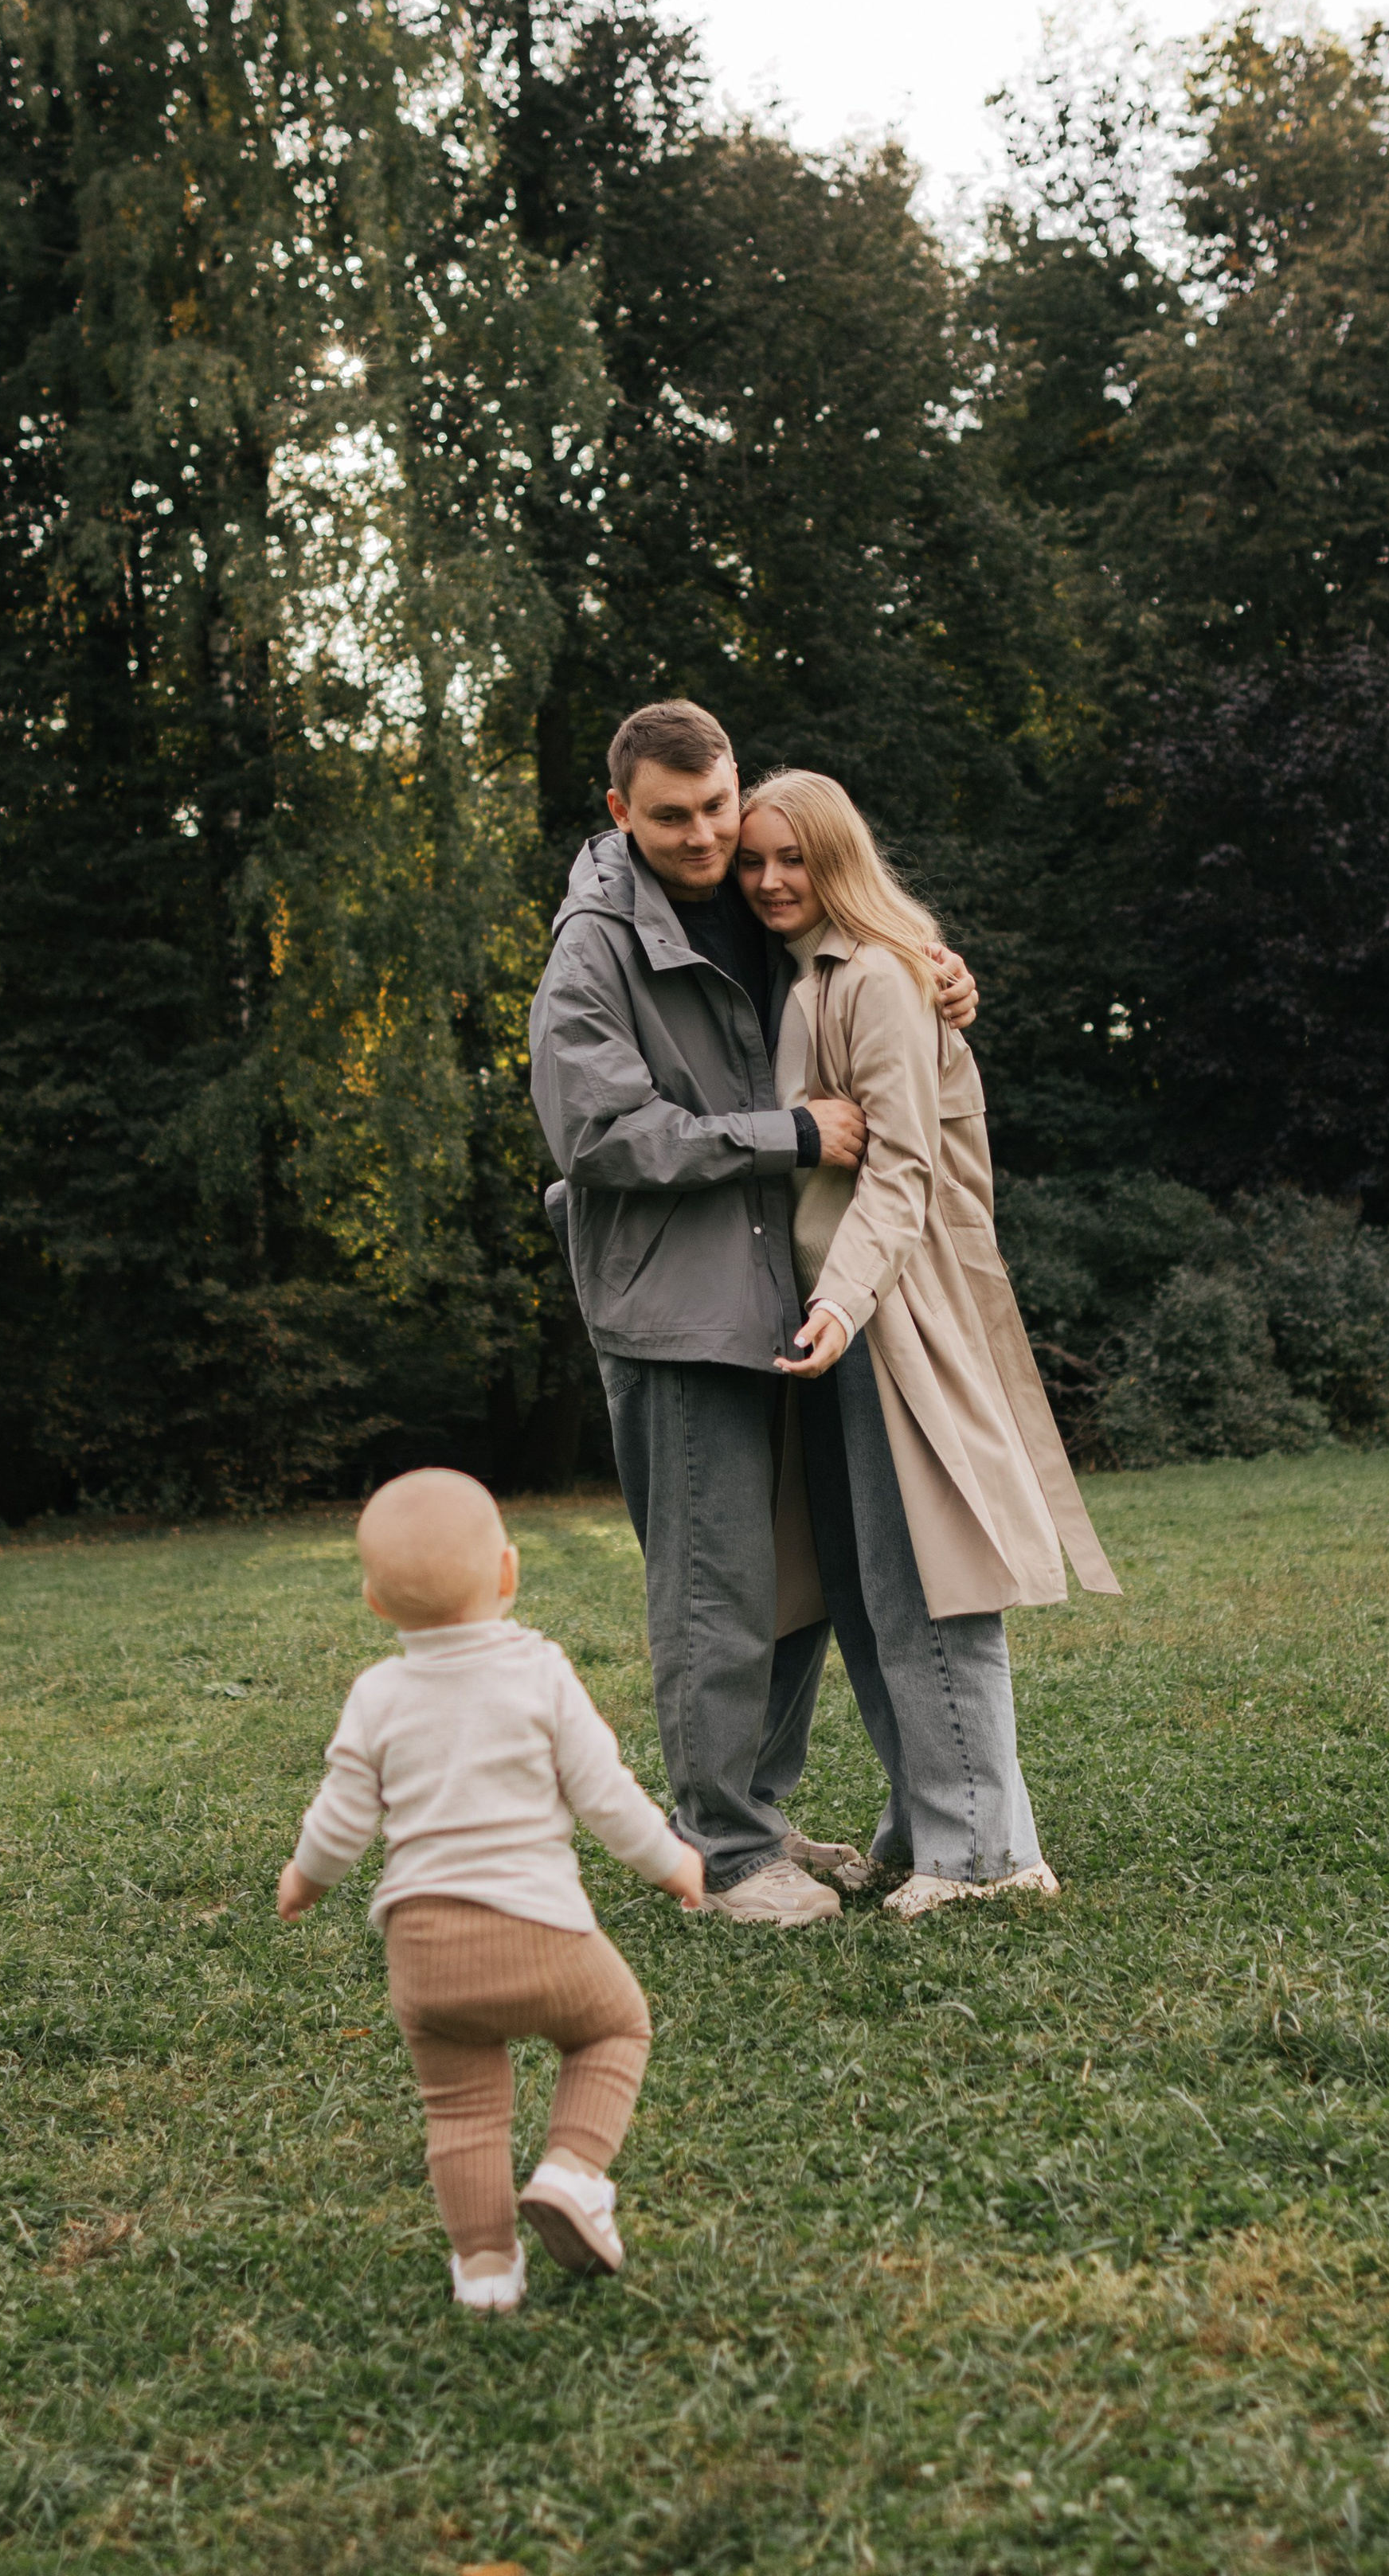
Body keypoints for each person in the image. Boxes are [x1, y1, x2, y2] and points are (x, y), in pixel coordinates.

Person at [526, 700, 981, 1929]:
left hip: (780, 1293)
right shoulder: (594, 946)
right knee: (714, 1585)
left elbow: (851, 975)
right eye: (672, 816)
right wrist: (787, 1136)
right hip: (675, 1303)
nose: (706, 834)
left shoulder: (742, 898)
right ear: (620, 810)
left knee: (791, 1584)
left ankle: (754, 1822)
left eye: (718, 806)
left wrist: (933, 968)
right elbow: (598, 1134)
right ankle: (721, 1858)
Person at [734, 768, 1122, 1920]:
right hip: (834, 1322)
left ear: (838, 857)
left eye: (791, 859)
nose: (767, 879)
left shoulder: (886, 978)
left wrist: (843, 1304)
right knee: (866, 1588)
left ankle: (991, 1856)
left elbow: (902, 1172)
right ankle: (929, 1826)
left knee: (930, 1584)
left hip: (889, 1311)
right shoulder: (810, 970)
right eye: (754, 860)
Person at [276, 1468, 703, 2314]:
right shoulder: (539, 1673)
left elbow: (338, 1821)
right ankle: (572, 2173)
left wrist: (301, 1881)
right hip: (539, 1929)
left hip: (424, 1953)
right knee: (615, 2028)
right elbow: (605, 1794)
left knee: (462, 2111)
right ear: (508, 1574)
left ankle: (483, 2269)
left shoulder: (377, 1696)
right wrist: (670, 1862)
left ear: (375, 1603)